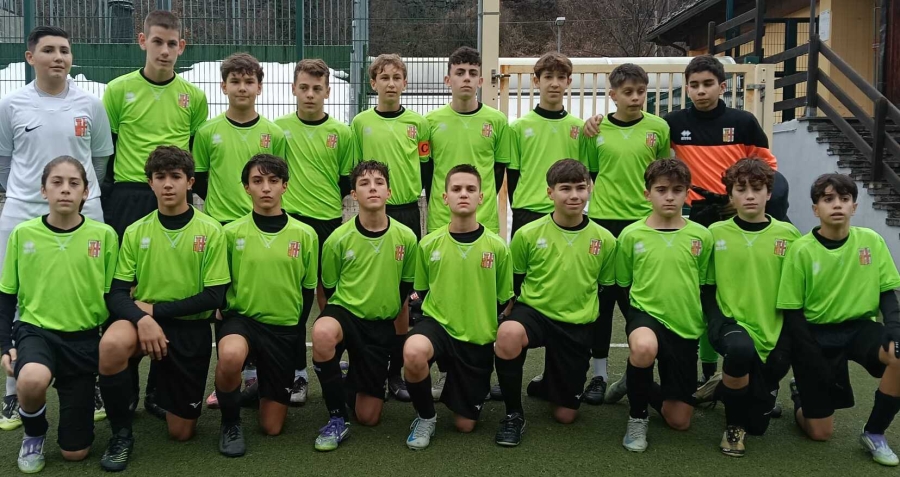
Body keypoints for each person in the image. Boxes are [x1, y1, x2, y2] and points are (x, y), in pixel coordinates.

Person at [584, 55, 779, 386]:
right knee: (607, 298)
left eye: (707, 84)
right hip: (620, 220)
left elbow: (764, 168)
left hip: (708, 219)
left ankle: (707, 368)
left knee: (706, 291)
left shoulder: (676, 125)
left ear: (722, 86)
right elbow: (602, 171)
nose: (701, 90)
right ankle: (607, 373)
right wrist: (594, 122)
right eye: (695, 85)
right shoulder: (625, 127)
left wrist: (753, 201)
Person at [0, 26, 114, 430]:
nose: (58, 57)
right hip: (23, 212)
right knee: (21, 295)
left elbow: (99, 159)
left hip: (85, 211)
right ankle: (13, 390)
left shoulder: (91, 105)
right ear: (30, 57)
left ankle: (93, 380)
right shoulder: (11, 105)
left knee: (90, 293)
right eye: (48, 50)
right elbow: (4, 160)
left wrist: (78, 198)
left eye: (64, 50)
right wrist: (31, 195)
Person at [101, 9, 208, 420]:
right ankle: (123, 384)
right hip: (128, 195)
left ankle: (159, 389)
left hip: (174, 196)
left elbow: (194, 154)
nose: (164, 50)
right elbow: (107, 151)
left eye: (172, 43)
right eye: (157, 41)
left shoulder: (193, 97)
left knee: (169, 282)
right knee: (124, 287)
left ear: (182, 47)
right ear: (142, 41)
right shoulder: (117, 90)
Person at [96, 146, 229, 472]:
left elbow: (214, 296)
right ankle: (121, 434)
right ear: (150, 183)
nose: (168, 184)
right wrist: (142, 319)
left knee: (181, 433)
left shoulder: (211, 230)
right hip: (143, 323)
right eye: (160, 177)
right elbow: (116, 294)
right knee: (111, 343)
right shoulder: (136, 230)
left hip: (189, 328)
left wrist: (155, 313)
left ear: (190, 182)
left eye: (175, 177)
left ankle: (162, 393)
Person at [0, 157, 117, 473]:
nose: (65, 189)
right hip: (36, 331)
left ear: (85, 192)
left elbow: (112, 296)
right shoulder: (23, 234)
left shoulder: (104, 235)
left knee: (75, 453)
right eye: (57, 182)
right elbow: (6, 296)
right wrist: (5, 345)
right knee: (31, 378)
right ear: (43, 190)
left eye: (73, 183)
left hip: (83, 339)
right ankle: (34, 433)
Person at [778, 173, 900, 467]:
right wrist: (810, 355)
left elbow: (887, 291)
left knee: (899, 354)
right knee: (820, 433)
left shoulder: (871, 241)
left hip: (858, 328)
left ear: (854, 207)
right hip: (816, 334)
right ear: (815, 208)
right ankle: (800, 397)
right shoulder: (801, 250)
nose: (837, 205)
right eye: (828, 199)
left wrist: (895, 328)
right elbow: (792, 311)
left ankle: (874, 432)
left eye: (844, 199)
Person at [493, 159, 616, 447]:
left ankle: (549, 383)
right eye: (565, 188)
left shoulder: (605, 240)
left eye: (580, 188)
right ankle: (513, 415)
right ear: (550, 193)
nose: (574, 195)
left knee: (565, 415)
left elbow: (605, 290)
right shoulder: (527, 234)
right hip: (535, 312)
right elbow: (515, 282)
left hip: (575, 323)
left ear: (590, 189)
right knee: (508, 333)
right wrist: (508, 312)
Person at [192, 52, 286, 409]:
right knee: (224, 304)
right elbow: (201, 179)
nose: (242, 87)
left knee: (259, 297)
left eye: (249, 81)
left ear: (259, 87)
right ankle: (231, 379)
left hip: (262, 227)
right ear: (223, 86)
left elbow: (278, 178)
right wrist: (224, 215)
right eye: (235, 81)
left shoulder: (273, 134)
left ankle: (265, 372)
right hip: (222, 228)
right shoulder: (207, 132)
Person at [402, 164, 514, 450]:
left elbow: (504, 300)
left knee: (465, 426)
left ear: (481, 197)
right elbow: (422, 292)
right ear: (445, 197)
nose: (463, 194)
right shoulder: (428, 244)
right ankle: (426, 417)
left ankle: (461, 383)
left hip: (476, 336)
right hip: (438, 326)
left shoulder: (498, 247)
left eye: (470, 189)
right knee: (413, 351)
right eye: (456, 189)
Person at [214, 154, 317, 457]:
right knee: (230, 355)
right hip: (242, 321)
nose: (266, 188)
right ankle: (230, 423)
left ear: (285, 185)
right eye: (257, 181)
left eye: (273, 180)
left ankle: (258, 390)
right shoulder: (230, 233)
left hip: (282, 328)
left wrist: (295, 331)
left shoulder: (305, 234)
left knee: (272, 427)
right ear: (247, 187)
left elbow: (307, 291)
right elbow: (220, 286)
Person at [311, 160, 418, 452]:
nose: (372, 188)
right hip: (345, 314)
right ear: (353, 194)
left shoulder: (407, 238)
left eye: (379, 183)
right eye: (364, 183)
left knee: (369, 418)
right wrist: (330, 327)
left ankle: (350, 381)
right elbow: (328, 289)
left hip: (378, 326)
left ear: (389, 192)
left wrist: (395, 343)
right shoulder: (337, 239)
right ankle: (337, 418)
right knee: (322, 332)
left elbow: (403, 291)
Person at [579, 63, 670, 405]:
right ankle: (599, 375)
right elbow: (591, 172)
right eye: (627, 92)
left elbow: (663, 175)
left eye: (640, 91)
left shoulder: (658, 128)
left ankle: (638, 374)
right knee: (602, 302)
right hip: (603, 223)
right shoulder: (595, 130)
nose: (635, 98)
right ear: (613, 95)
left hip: (644, 225)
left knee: (639, 301)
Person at [424, 46, 511, 400]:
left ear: (481, 80)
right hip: (441, 223)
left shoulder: (497, 121)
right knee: (443, 298)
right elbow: (427, 172)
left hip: (482, 224)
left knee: (481, 302)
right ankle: (447, 371)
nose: (466, 78)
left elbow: (500, 170)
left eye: (472, 72)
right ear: (448, 79)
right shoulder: (431, 122)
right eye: (459, 72)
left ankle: (479, 371)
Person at [609, 158, 712, 453]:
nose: (669, 197)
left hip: (685, 324)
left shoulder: (701, 236)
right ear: (647, 194)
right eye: (661, 190)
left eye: (677, 190)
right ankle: (637, 417)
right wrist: (635, 320)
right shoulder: (631, 235)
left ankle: (633, 381)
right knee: (643, 347)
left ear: (687, 194)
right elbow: (623, 283)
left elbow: (704, 283)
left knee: (679, 421)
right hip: (646, 316)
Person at [703, 158, 800, 457]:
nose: (749, 196)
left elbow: (796, 293)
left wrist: (787, 341)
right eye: (741, 189)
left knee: (758, 425)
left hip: (771, 329)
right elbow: (707, 287)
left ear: (768, 194)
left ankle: (722, 384)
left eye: (757, 189)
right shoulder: (714, 233)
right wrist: (717, 321)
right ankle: (733, 429)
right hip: (731, 325)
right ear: (730, 195)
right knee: (740, 351)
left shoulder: (789, 235)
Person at [276, 58, 357, 407]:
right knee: (295, 300)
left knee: (331, 297)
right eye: (304, 87)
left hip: (328, 224)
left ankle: (332, 362)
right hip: (291, 223)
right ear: (294, 89)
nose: (310, 94)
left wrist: (325, 205)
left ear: (328, 91)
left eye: (317, 88)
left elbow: (344, 180)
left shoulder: (342, 133)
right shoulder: (278, 130)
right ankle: (297, 372)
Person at [350, 53, 431, 402]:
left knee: (401, 296)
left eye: (397, 78)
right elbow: (355, 168)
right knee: (369, 285)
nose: (391, 84)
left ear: (405, 83)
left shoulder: (418, 124)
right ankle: (361, 359)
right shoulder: (360, 123)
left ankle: (395, 372)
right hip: (371, 212)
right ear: (373, 84)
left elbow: (425, 166)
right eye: (384, 78)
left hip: (406, 211)